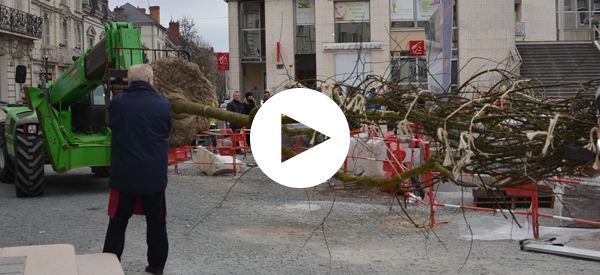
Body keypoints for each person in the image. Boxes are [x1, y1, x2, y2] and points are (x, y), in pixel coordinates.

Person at [102, 64, 171, 275]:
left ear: (128, 82)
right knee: (157, 221)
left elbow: (111, 125)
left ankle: (108, 264)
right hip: (154, 176)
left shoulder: (117, 104)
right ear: (151, 80)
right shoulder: (164, 104)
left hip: (125, 175)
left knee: (118, 221)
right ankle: (157, 265)